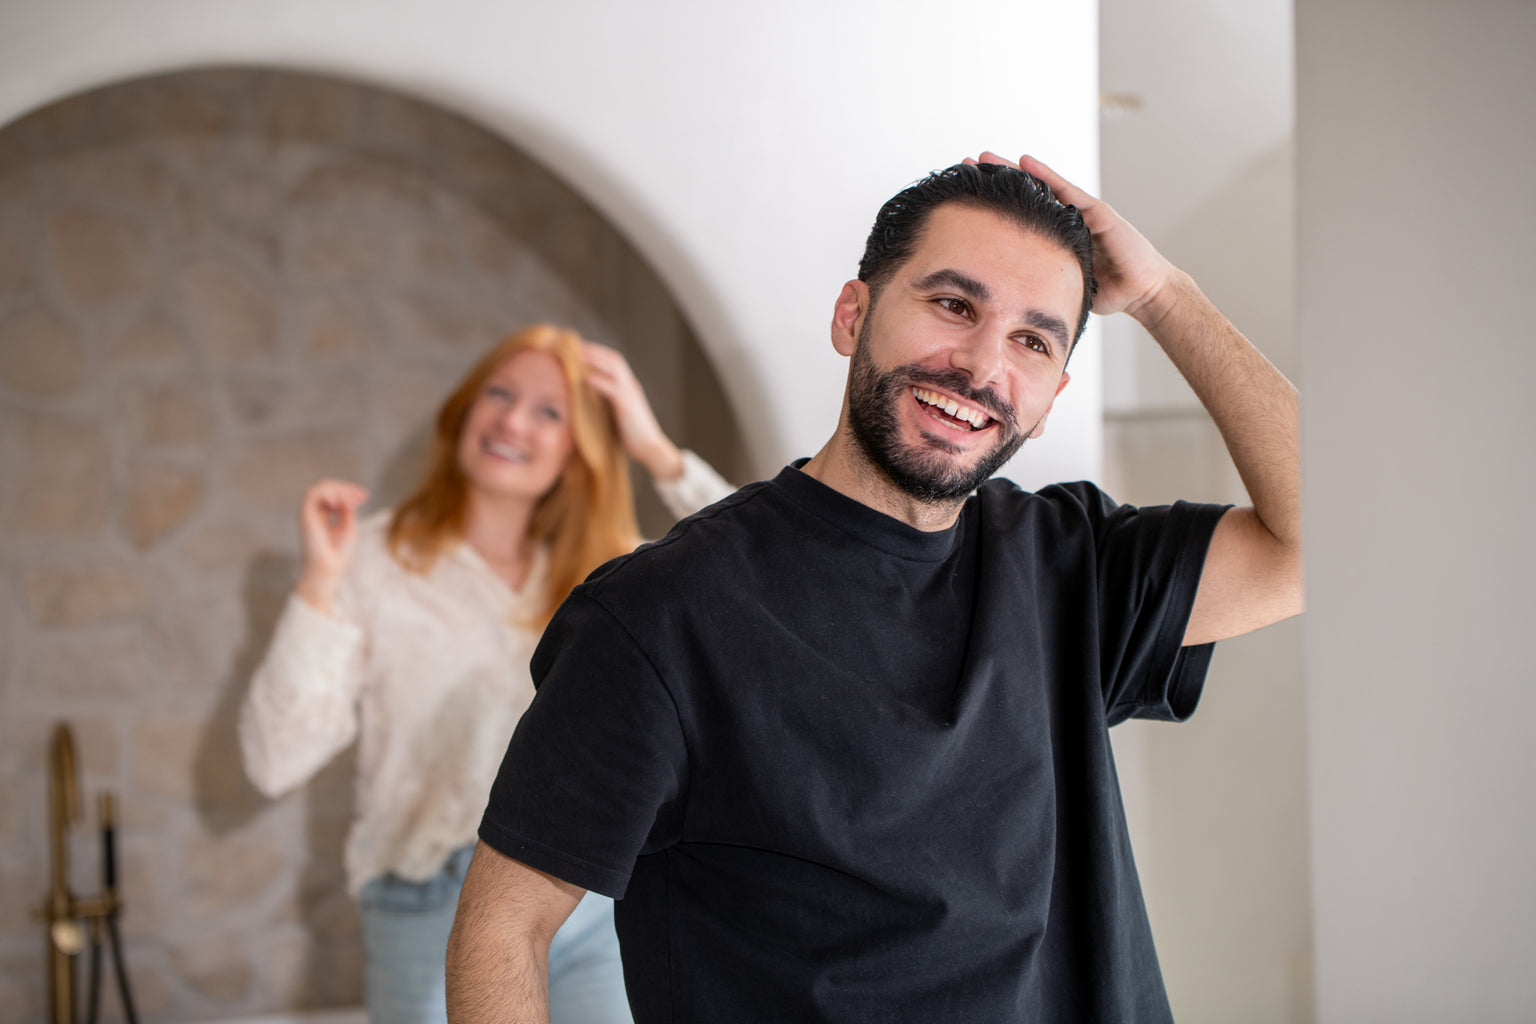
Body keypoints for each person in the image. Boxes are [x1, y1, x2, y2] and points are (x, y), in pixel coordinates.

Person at [444, 155, 1303, 1023]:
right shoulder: (660, 616)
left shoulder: (1072, 565)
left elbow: (1318, 544)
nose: (980, 365)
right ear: (853, 314)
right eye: (953, 305)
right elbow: (503, 925)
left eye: (1031, 341)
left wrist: (1164, 294)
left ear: (1053, 395)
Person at [239, 324, 733, 1024]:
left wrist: (652, 448)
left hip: (585, 901)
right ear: (465, 412)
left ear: (577, 451)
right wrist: (321, 581)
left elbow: (759, 576)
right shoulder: (374, 560)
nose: (510, 419)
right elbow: (274, 759)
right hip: (424, 907)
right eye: (498, 394)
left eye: (548, 411)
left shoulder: (614, 574)